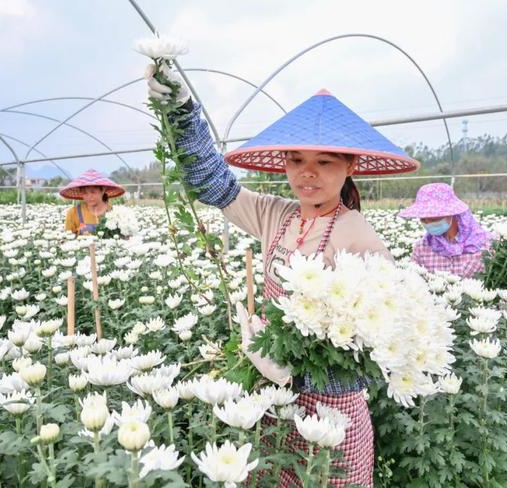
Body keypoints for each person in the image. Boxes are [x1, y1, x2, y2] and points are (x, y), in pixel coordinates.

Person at [146, 65, 420, 487]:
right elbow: (213, 185)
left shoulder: (356, 233)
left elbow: (381, 346)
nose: (306, 173)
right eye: (296, 160)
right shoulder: (278, 214)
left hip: (332, 416)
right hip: (273, 404)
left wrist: (298, 374)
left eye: (324, 161)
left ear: (350, 165)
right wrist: (181, 114)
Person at [399, 183, 492, 278]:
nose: (428, 223)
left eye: (433, 219)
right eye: (423, 219)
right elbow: (412, 282)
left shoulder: (484, 245)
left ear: (452, 213)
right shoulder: (422, 248)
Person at [61, 168, 125, 235]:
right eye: (85, 193)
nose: (89, 196)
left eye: (93, 192)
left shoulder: (114, 212)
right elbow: (67, 239)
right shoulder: (73, 213)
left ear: (103, 190)